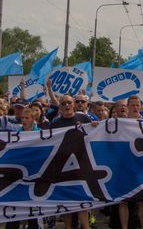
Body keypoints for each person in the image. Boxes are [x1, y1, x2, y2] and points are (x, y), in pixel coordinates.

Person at [50, 94, 96, 229]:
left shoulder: (84, 118)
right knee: (67, 201)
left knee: (82, 199)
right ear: (60, 106)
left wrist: (94, 126)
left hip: (81, 165)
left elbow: (93, 136)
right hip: (63, 166)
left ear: (74, 104)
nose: (66, 106)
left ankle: (86, 227)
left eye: (69, 103)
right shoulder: (55, 123)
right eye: (63, 103)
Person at [119, 96, 143, 229]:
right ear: (128, 106)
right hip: (124, 166)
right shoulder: (120, 123)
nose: (135, 108)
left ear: (140, 106)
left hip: (141, 167)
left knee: (142, 201)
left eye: (137, 105)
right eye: (133, 105)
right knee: (123, 200)